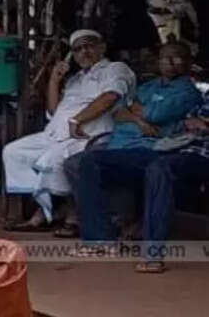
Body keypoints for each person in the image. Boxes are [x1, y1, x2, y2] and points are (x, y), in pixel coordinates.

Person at [3, 30, 135, 231]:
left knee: (53, 159)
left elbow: (111, 97)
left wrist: (77, 119)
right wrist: (54, 80)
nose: (84, 52)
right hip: (56, 133)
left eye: (89, 46)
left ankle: (71, 215)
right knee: (13, 151)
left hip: (90, 134)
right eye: (77, 49)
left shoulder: (115, 69)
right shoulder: (75, 79)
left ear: (102, 47)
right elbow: (53, 111)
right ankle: (47, 207)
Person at [74, 42, 201, 248]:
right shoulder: (149, 86)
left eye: (176, 57)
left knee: (91, 161)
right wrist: (139, 120)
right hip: (120, 145)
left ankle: (102, 237)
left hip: (148, 148)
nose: (169, 62)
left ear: (187, 62)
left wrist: (136, 110)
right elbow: (118, 111)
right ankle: (106, 233)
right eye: (164, 57)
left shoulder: (187, 91)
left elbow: (156, 114)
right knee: (79, 163)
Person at [133, 88, 209, 273]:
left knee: (161, 167)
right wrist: (191, 123)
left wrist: (205, 124)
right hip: (180, 150)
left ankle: (153, 253)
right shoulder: (205, 96)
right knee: (155, 168)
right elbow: (186, 121)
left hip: (203, 157)